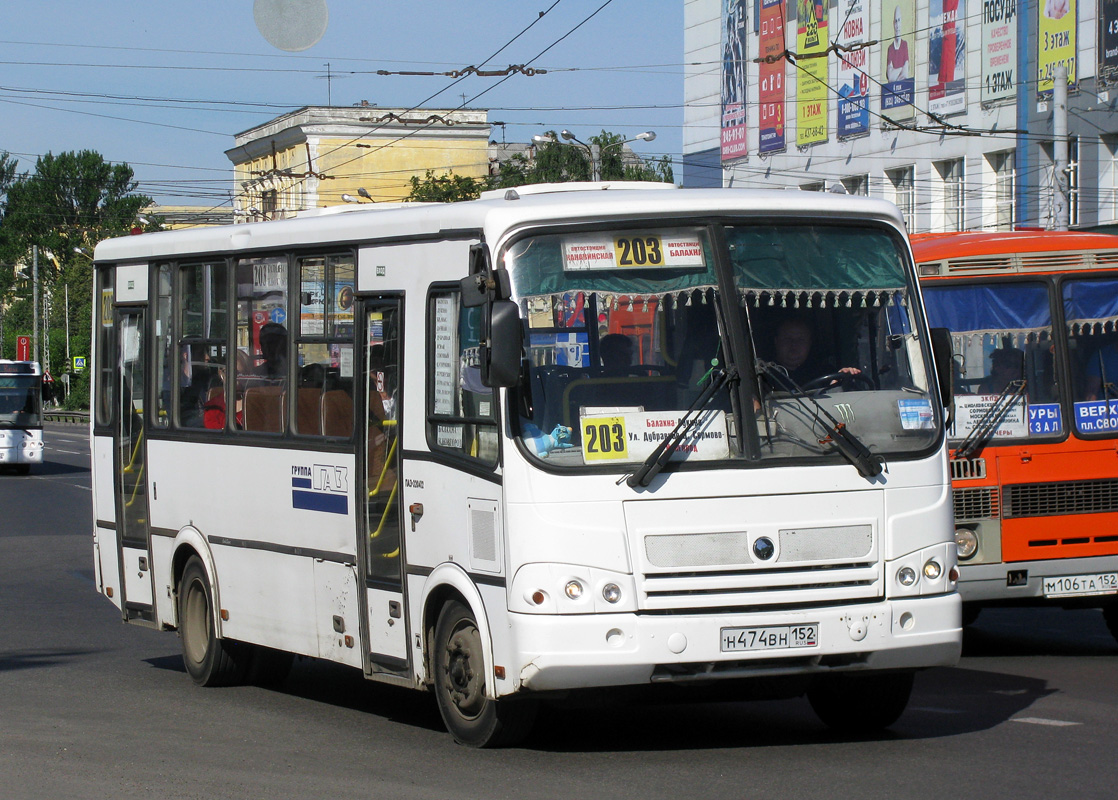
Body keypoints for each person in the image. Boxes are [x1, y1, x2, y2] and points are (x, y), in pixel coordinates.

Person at [770, 318, 861, 387]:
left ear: (809, 344)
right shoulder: (765, 376)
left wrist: (842, 378)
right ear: (776, 342)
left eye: (801, 340)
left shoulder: (824, 371)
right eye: (787, 339)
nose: (794, 345)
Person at [886, 6, 910, 82]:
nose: (897, 25)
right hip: (891, 88)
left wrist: (895, 71)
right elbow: (890, 77)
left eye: (899, 21)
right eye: (896, 21)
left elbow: (905, 74)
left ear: (901, 22)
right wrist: (900, 69)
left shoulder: (904, 45)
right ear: (893, 24)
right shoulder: (890, 48)